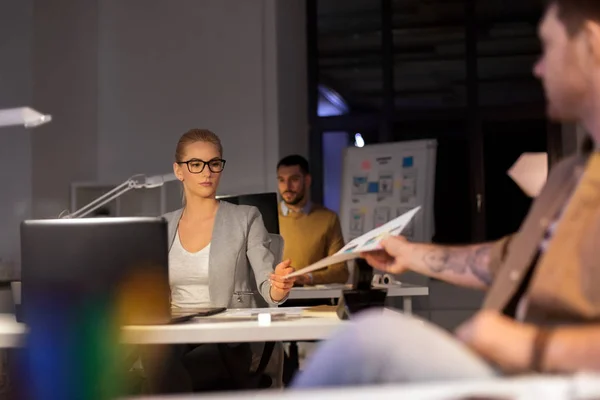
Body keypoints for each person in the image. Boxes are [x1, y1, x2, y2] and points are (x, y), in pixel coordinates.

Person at [293, 0, 600, 388]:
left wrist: (528, 345)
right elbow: (507, 259)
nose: (538, 67)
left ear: (590, 43)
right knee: (366, 339)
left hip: (564, 382)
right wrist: (412, 253)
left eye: (548, 47)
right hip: (521, 375)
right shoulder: (570, 174)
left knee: (369, 345)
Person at [142, 129, 296, 393]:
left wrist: (278, 287)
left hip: (227, 339)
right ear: (179, 171)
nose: (207, 172)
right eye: (196, 164)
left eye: (214, 163)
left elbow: (267, 285)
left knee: (174, 368)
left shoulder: (246, 218)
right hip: (175, 334)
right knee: (154, 357)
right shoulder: (163, 225)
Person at [277, 155, 349, 285]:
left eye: (294, 179)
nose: (287, 186)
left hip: (314, 299)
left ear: (307, 180)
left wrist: (307, 278)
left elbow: (341, 272)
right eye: (281, 180)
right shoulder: (265, 217)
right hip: (273, 300)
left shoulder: (328, 218)